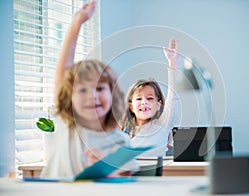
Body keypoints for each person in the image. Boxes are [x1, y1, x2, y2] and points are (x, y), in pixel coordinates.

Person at [41, 1, 138, 178]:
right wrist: (76, 24)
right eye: (82, 90)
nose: (92, 96)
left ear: (113, 95)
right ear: (69, 97)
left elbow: (125, 184)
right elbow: (63, 73)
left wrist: (107, 170)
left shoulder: (120, 142)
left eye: (99, 88)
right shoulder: (68, 126)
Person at [122, 38, 179, 157]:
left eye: (150, 98)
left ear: (158, 105)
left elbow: (172, 96)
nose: (144, 102)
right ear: (131, 106)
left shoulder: (162, 125)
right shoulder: (124, 133)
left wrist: (172, 64)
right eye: (138, 99)